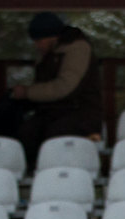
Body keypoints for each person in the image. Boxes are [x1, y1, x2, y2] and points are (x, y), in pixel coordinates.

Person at [13, 12, 103, 164]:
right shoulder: (51, 52)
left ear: (52, 37)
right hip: (54, 113)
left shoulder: (77, 49)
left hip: (80, 113)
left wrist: (28, 93)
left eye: (39, 40)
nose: (37, 45)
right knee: (26, 132)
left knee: (54, 136)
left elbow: (65, 87)